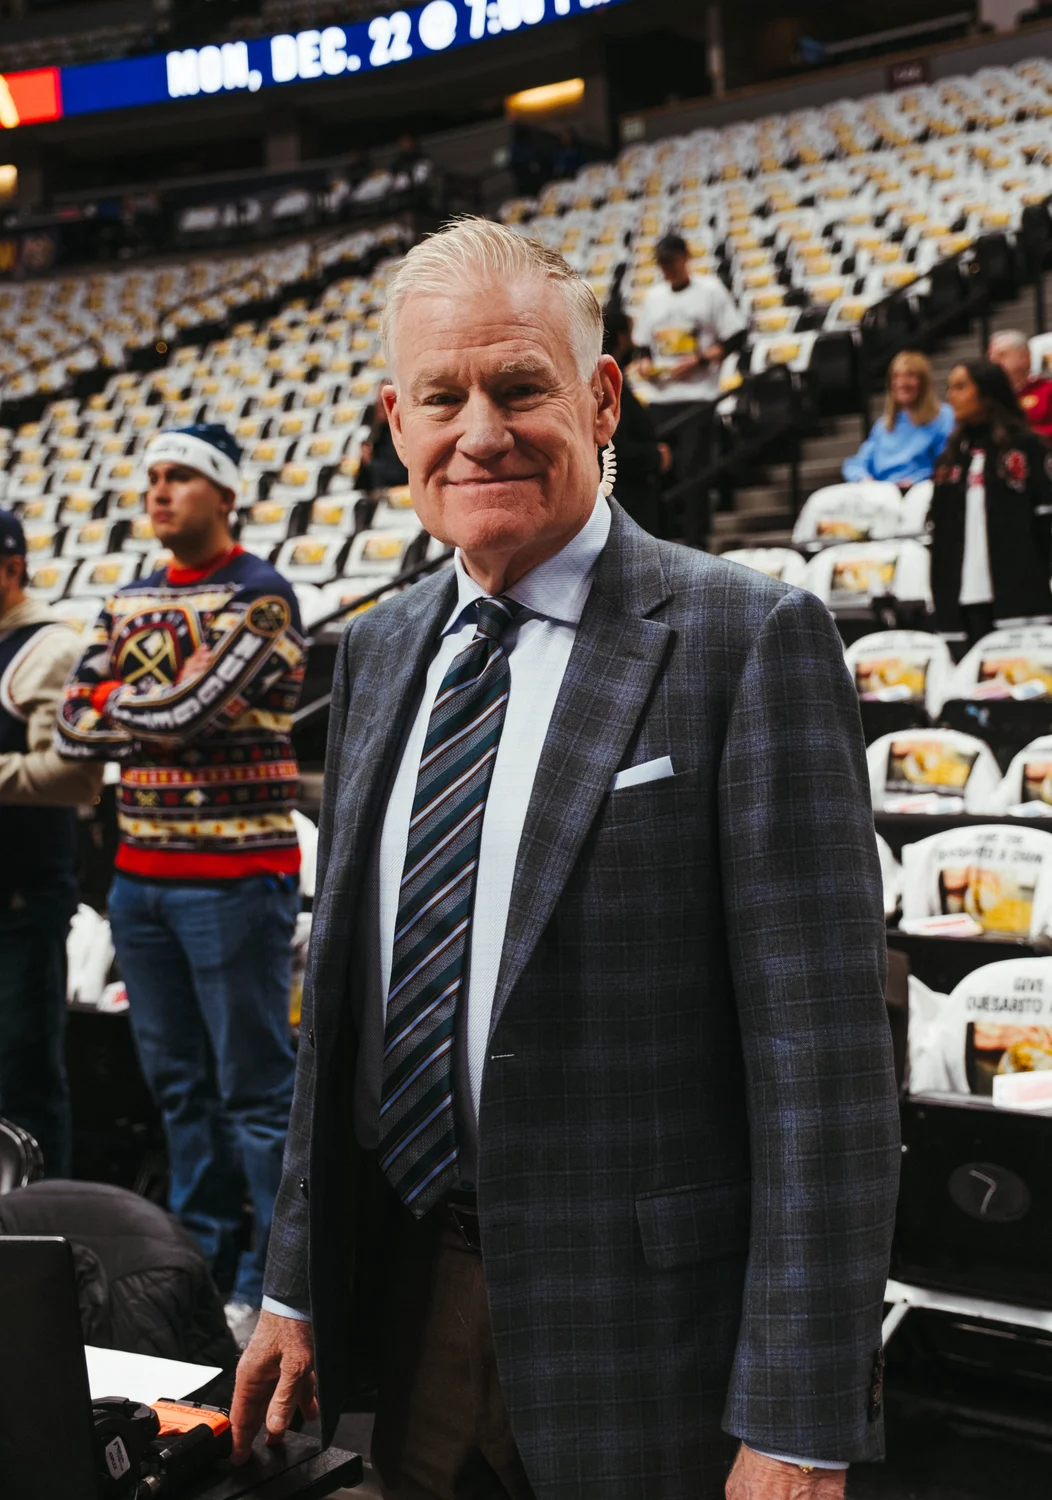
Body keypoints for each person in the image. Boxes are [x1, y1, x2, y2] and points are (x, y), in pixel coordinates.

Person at [232, 219, 899, 1500]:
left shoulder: (746, 639)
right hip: (414, 1304)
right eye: (442, 397)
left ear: (597, 400)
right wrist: (291, 1287)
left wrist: (801, 1419)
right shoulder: (374, 655)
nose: (478, 429)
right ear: (395, 423)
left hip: (654, 1349)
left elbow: (826, 1073)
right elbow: (343, 1032)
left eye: (519, 385)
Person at [55, 425, 307, 1345]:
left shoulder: (264, 597)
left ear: (224, 494)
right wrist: (139, 713)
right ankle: (193, 1271)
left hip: (236, 879)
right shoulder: (128, 596)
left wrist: (122, 709)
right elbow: (72, 729)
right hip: (142, 881)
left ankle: (273, 1285)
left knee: (254, 1095)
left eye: (181, 478)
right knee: (179, 1092)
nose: (159, 492)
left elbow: (183, 714)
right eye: (153, 476)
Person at [0, 510, 102, 1176]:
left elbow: (75, 775)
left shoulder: (50, 645)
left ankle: (44, 1241)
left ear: (10, 568)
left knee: (24, 1078)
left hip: (20, 903)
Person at [930, 359, 1052, 652]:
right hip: (963, 599)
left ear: (986, 392)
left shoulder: (1028, 447)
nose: (951, 396)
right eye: (950, 387)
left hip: (1019, 594)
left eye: (961, 387)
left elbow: (1045, 522)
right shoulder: (950, 458)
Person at [633, 232, 747, 544]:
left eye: (671, 261)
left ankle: (698, 539)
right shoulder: (654, 296)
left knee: (694, 473)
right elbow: (642, 345)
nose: (666, 269)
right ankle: (661, 539)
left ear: (685, 258)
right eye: (661, 263)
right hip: (661, 395)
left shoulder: (709, 291)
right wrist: (644, 363)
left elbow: (735, 336)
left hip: (698, 395)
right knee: (657, 471)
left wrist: (699, 360)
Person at [603, 307, 671, 536]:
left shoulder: (609, 378)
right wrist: (655, 457)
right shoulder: (606, 384)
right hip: (626, 497)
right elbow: (615, 445)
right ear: (622, 337)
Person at [843, 350, 954, 488]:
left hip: (920, 489)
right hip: (882, 492)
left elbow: (946, 463)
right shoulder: (882, 426)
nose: (901, 383)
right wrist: (864, 479)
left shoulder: (944, 416)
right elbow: (856, 463)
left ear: (923, 382)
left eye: (910, 376)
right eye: (896, 377)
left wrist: (916, 481)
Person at [988, 328, 1052, 442]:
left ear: (1025, 358)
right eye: (991, 357)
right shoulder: (987, 398)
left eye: (1001, 355)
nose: (994, 362)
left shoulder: (1047, 390)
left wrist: (1024, 435)